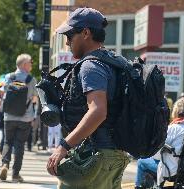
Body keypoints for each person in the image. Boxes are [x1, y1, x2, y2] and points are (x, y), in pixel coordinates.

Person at [47, 7, 130, 189]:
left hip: (94, 156)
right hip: (113, 155)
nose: (67, 42)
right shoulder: (115, 62)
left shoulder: (91, 66)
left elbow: (98, 111)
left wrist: (64, 146)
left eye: (70, 36)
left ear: (86, 33)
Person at [0, 53, 38, 182]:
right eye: (30, 63)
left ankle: (5, 164)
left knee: (7, 142)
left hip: (9, 116)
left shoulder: (9, 77)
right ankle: (15, 174)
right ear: (24, 64)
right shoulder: (31, 80)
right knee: (20, 145)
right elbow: (34, 98)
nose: (32, 65)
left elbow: (4, 92)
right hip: (25, 118)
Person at [156, 97, 184, 186]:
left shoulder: (174, 128)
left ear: (176, 111)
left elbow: (157, 153)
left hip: (174, 169)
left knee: (142, 163)